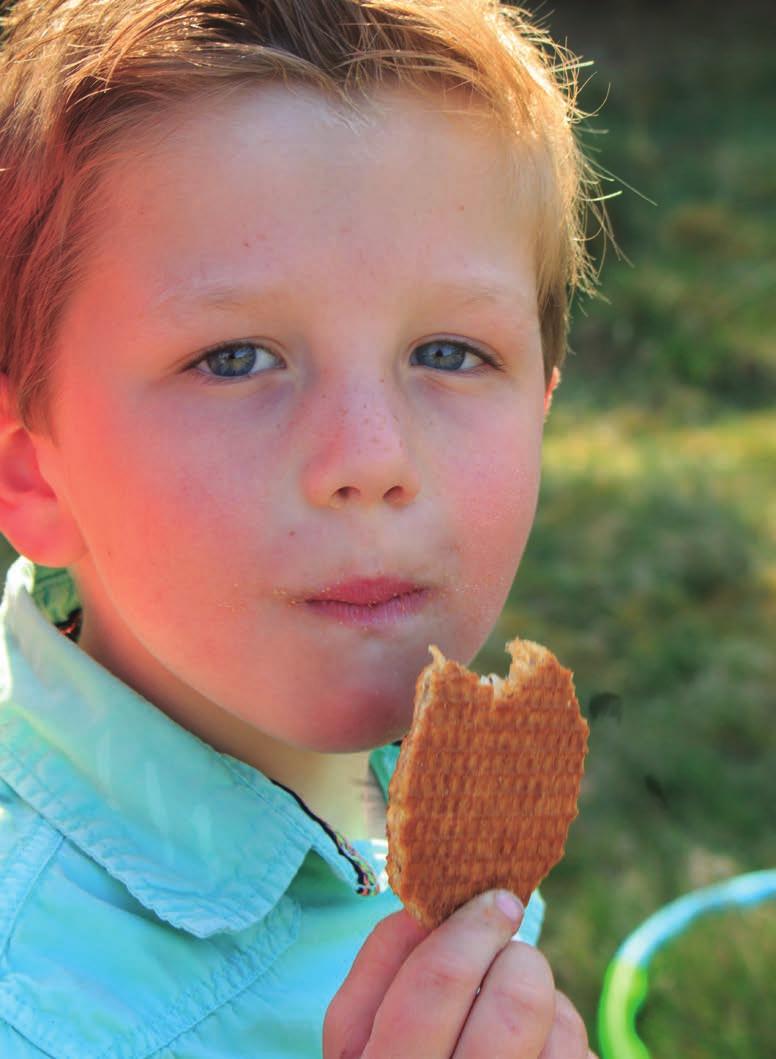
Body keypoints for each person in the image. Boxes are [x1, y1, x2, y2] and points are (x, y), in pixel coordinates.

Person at [0, 0, 602, 1055]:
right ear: (30, 471)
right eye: (234, 358)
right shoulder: (34, 1000)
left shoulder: (453, 799)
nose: (372, 459)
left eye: (450, 352)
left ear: (541, 401)